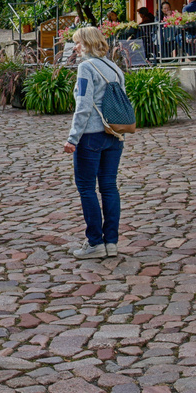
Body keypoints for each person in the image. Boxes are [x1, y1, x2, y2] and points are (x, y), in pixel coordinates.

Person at [64, 26, 125, 259]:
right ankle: (111, 242)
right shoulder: (115, 68)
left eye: (78, 43)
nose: (75, 47)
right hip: (114, 134)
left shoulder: (86, 67)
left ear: (88, 43)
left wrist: (73, 138)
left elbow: (84, 105)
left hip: (91, 136)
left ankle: (94, 243)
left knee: (87, 188)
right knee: (109, 187)